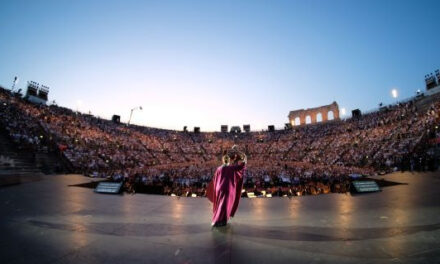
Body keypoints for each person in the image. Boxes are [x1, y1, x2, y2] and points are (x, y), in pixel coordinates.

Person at [207, 146, 247, 227]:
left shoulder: (218, 168)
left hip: (218, 188)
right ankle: (218, 220)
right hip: (228, 189)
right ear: (229, 161)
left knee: (220, 204)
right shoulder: (231, 168)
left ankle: (218, 219)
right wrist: (242, 155)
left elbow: (215, 179)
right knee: (225, 205)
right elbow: (242, 166)